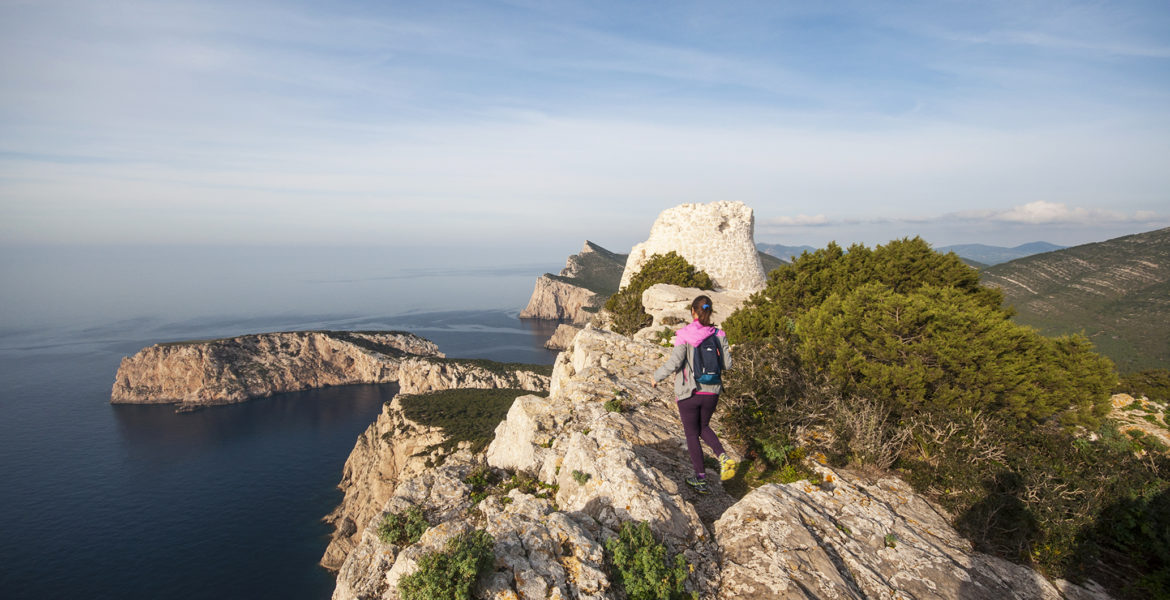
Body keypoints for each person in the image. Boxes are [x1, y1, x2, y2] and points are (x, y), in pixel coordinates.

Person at [651, 295, 736, 494]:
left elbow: (675, 362)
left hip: (689, 392)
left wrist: (656, 377)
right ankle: (723, 456)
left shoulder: (684, 334)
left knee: (691, 433)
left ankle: (700, 478)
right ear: (710, 311)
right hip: (712, 391)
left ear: (693, 311)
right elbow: (728, 365)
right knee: (703, 426)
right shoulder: (719, 334)